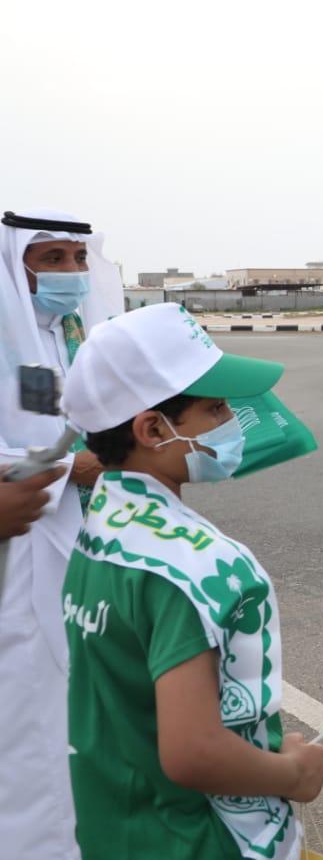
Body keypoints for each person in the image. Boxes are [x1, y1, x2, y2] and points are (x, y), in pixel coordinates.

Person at [59, 303, 323, 858]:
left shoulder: (98, 536)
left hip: (114, 827)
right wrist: (291, 772)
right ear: (153, 429)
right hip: (197, 840)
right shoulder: (198, 565)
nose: (235, 420)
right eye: (216, 407)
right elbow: (194, 753)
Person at [0, 208, 124, 857]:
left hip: (81, 559)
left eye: (78, 260)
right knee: (25, 726)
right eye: (52, 260)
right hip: (15, 561)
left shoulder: (77, 336)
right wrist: (63, 471)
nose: (71, 274)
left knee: (74, 716)